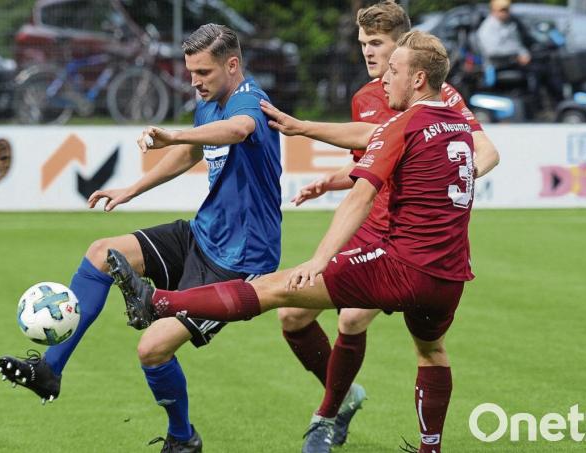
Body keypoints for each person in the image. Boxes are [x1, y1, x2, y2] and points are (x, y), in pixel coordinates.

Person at [108, 29, 477, 453]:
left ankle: (159, 302)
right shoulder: (455, 123)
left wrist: (320, 259)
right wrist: (302, 128)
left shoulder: (404, 124)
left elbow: (361, 196)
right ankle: (431, 447)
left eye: (394, 69)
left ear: (417, 80)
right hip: (449, 278)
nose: (385, 77)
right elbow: (372, 136)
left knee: (273, 288)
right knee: (431, 353)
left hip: (401, 267)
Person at [0, 24, 282, 453]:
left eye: (203, 72)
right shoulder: (208, 102)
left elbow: (238, 130)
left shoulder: (248, 100)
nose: (194, 81)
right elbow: (190, 152)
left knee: (152, 349)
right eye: (190, 71)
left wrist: (176, 133)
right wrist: (132, 189)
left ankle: (183, 438)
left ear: (233, 65)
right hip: (201, 236)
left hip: (241, 262)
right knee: (101, 253)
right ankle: (50, 371)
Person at [258, 2, 499, 450]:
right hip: (368, 224)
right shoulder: (368, 96)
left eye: (378, 44)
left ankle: (326, 417)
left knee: (351, 318)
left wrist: (452, 178)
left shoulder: (440, 98)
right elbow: (372, 160)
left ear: (403, 47)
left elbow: (486, 151)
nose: (369, 53)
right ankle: (345, 398)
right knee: (292, 315)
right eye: (363, 43)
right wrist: (332, 181)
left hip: (407, 237)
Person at [475, 0, 532, 67]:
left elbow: (517, 43)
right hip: (496, 67)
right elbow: (492, 51)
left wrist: (524, 53)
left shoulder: (511, 24)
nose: (506, 12)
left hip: (514, 64)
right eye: (502, 10)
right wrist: (516, 56)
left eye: (507, 9)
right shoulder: (486, 28)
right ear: (493, 11)